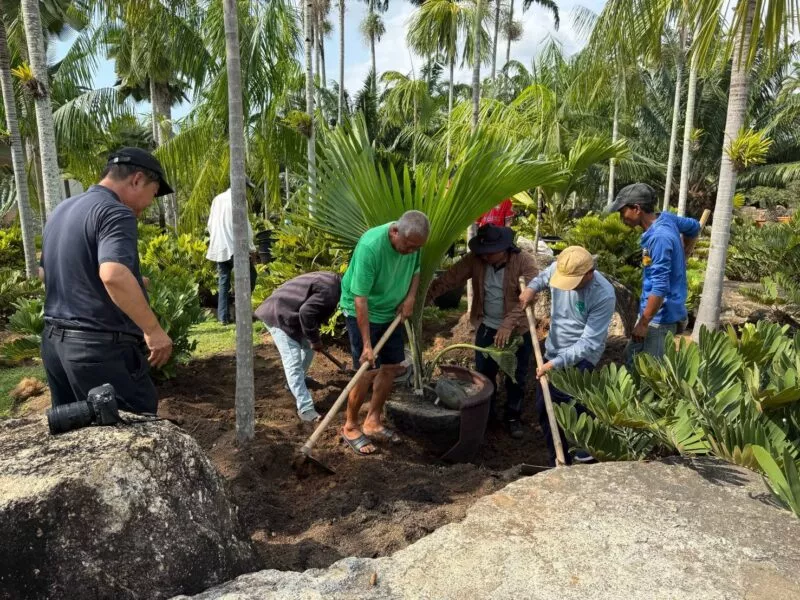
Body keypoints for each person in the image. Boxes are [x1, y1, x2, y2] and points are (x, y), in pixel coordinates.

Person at [39, 147, 174, 414]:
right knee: (134, 432)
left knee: (76, 434)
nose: (150, 203)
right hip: (97, 351)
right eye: (153, 193)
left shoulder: (62, 210)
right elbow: (113, 275)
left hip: (56, 345)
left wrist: (134, 282)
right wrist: (154, 331)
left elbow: (47, 272)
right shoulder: (115, 212)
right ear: (136, 180)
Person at [427, 224, 537, 439]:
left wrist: (508, 324)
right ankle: (488, 415)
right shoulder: (477, 259)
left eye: (491, 252)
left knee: (516, 376)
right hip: (486, 325)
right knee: (485, 375)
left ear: (504, 248)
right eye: (483, 252)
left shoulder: (524, 261)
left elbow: (531, 296)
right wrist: (428, 294)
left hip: (517, 329)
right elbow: (451, 277)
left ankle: (513, 417)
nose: (486, 256)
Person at [339, 210, 430, 455]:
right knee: (367, 371)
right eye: (408, 246)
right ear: (394, 232)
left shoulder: (414, 242)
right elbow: (360, 300)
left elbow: (416, 270)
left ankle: (372, 421)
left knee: (390, 367)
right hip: (362, 311)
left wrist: (410, 298)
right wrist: (367, 344)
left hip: (391, 312)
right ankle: (350, 426)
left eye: (415, 248)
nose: (411, 251)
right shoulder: (371, 246)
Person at [519, 246, 616, 465]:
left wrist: (555, 363)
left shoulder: (603, 294)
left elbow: (588, 342)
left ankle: (590, 455)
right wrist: (531, 289)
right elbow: (542, 278)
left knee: (577, 407)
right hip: (554, 349)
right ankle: (559, 460)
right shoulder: (560, 267)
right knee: (545, 407)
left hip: (582, 356)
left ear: (589, 273)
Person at [606, 183, 701, 364]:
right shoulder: (666, 219)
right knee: (629, 359)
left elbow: (660, 286)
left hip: (659, 319)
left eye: (622, 211)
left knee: (650, 375)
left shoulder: (659, 237)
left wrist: (643, 324)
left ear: (636, 208)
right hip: (652, 314)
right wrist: (685, 251)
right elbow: (694, 227)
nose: (620, 217)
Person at [254, 271, 341, 422]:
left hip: (289, 313)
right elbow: (306, 312)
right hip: (279, 316)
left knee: (308, 349)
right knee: (293, 362)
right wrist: (315, 340)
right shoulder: (331, 291)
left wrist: (313, 340)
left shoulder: (333, 280)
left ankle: (293, 383)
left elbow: (308, 312)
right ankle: (305, 408)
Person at [206, 184, 258, 325]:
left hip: (220, 246)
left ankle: (223, 317)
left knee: (224, 282)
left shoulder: (217, 199)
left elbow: (210, 224)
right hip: (235, 247)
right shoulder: (240, 199)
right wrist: (251, 248)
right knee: (251, 276)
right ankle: (240, 308)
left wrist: (217, 240)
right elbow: (245, 226)